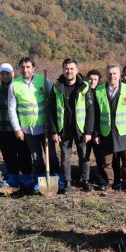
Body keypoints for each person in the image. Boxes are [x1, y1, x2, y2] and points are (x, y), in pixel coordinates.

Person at [8, 57, 60, 191]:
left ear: (33, 68)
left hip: (45, 126)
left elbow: (52, 102)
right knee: (36, 157)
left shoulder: (43, 80)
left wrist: (51, 122)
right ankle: (40, 178)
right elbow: (11, 109)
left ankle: (57, 176)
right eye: (22, 67)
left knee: (51, 155)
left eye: (28, 67)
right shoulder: (14, 85)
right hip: (28, 129)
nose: (25, 70)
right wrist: (17, 129)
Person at [48, 58, 95, 193]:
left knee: (84, 155)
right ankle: (67, 182)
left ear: (77, 70)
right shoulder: (56, 87)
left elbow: (90, 111)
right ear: (63, 70)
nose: (69, 71)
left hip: (81, 129)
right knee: (65, 157)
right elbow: (51, 110)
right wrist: (54, 131)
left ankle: (85, 180)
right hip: (64, 129)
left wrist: (88, 131)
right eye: (66, 69)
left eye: (71, 69)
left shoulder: (85, 87)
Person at [93, 63, 126, 191]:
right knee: (106, 161)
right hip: (106, 131)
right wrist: (96, 133)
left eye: (114, 73)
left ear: (119, 75)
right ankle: (109, 182)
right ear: (106, 75)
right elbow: (95, 114)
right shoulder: (99, 90)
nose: (112, 76)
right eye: (109, 73)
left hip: (124, 132)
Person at [0, 63, 28, 187]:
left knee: (23, 154)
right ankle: (14, 177)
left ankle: (27, 177)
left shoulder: (20, 87)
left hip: (19, 129)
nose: (5, 76)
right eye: (3, 74)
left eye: (7, 73)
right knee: (8, 155)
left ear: (13, 73)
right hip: (2, 129)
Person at [84, 69, 105, 188]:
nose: (92, 81)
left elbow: (98, 116)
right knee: (84, 156)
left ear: (99, 81)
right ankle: (84, 178)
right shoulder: (83, 92)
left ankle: (101, 179)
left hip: (98, 131)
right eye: (90, 79)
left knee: (100, 157)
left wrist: (96, 133)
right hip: (85, 131)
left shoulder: (101, 93)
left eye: (95, 79)